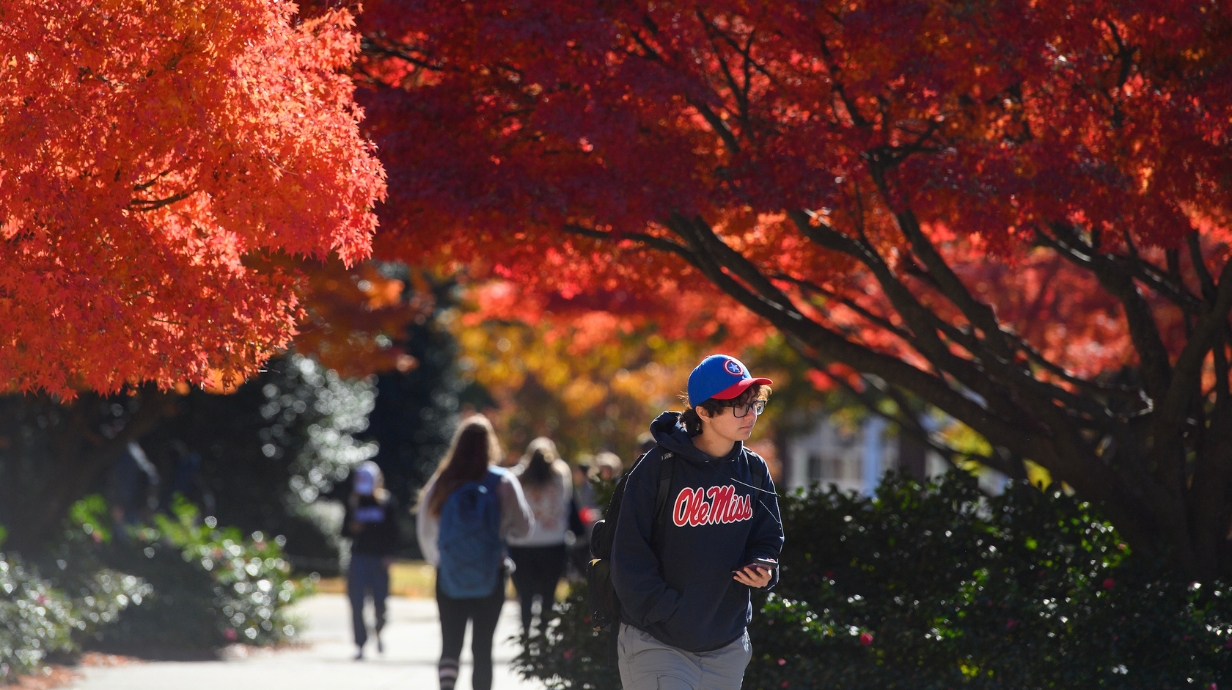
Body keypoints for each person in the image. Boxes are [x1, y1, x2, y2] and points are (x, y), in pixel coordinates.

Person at [611, 354, 784, 690]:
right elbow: (629, 555)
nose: (750, 415)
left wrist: (764, 570)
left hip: (727, 645)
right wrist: (672, 612)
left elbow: (767, 538)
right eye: (739, 406)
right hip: (657, 642)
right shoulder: (657, 468)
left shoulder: (754, 469)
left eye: (754, 405)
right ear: (704, 412)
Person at [417, 415, 533, 690]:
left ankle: (447, 685)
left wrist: (440, 559)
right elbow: (524, 528)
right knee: (482, 648)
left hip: (448, 576)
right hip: (491, 574)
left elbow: (425, 527)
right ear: (490, 444)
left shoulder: (442, 481)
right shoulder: (502, 481)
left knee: (450, 644)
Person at [507, 437, 573, 636]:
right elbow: (566, 502)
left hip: (521, 543)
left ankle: (526, 633)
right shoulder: (560, 474)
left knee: (524, 595)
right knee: (548, 594)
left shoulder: (516, 476)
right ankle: (543, 634)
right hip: (553, 543)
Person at [341, 460, 400, 660]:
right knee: (356, 603)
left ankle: (379, 632)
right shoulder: (353, 502)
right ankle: (360, 644)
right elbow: (344, 532)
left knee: (380, 604)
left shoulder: (386, 503)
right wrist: (352, 528)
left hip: (379, 561)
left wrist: (389, 555)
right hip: (358, 559)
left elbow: (393, 532)